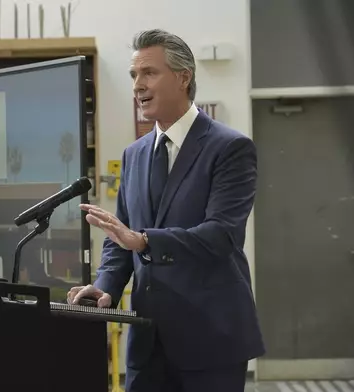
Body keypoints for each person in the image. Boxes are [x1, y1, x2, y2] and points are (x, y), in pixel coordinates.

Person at [67, 29, 265, 392]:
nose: (137, 85)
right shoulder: (134, 155)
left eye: (148, 73)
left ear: (183, 77)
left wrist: (143, 241)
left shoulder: (230, 148)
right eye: (133, 75)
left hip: (211, 340)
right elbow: (118, 240)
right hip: (147, 341)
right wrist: (104, 286)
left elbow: (221, 235)